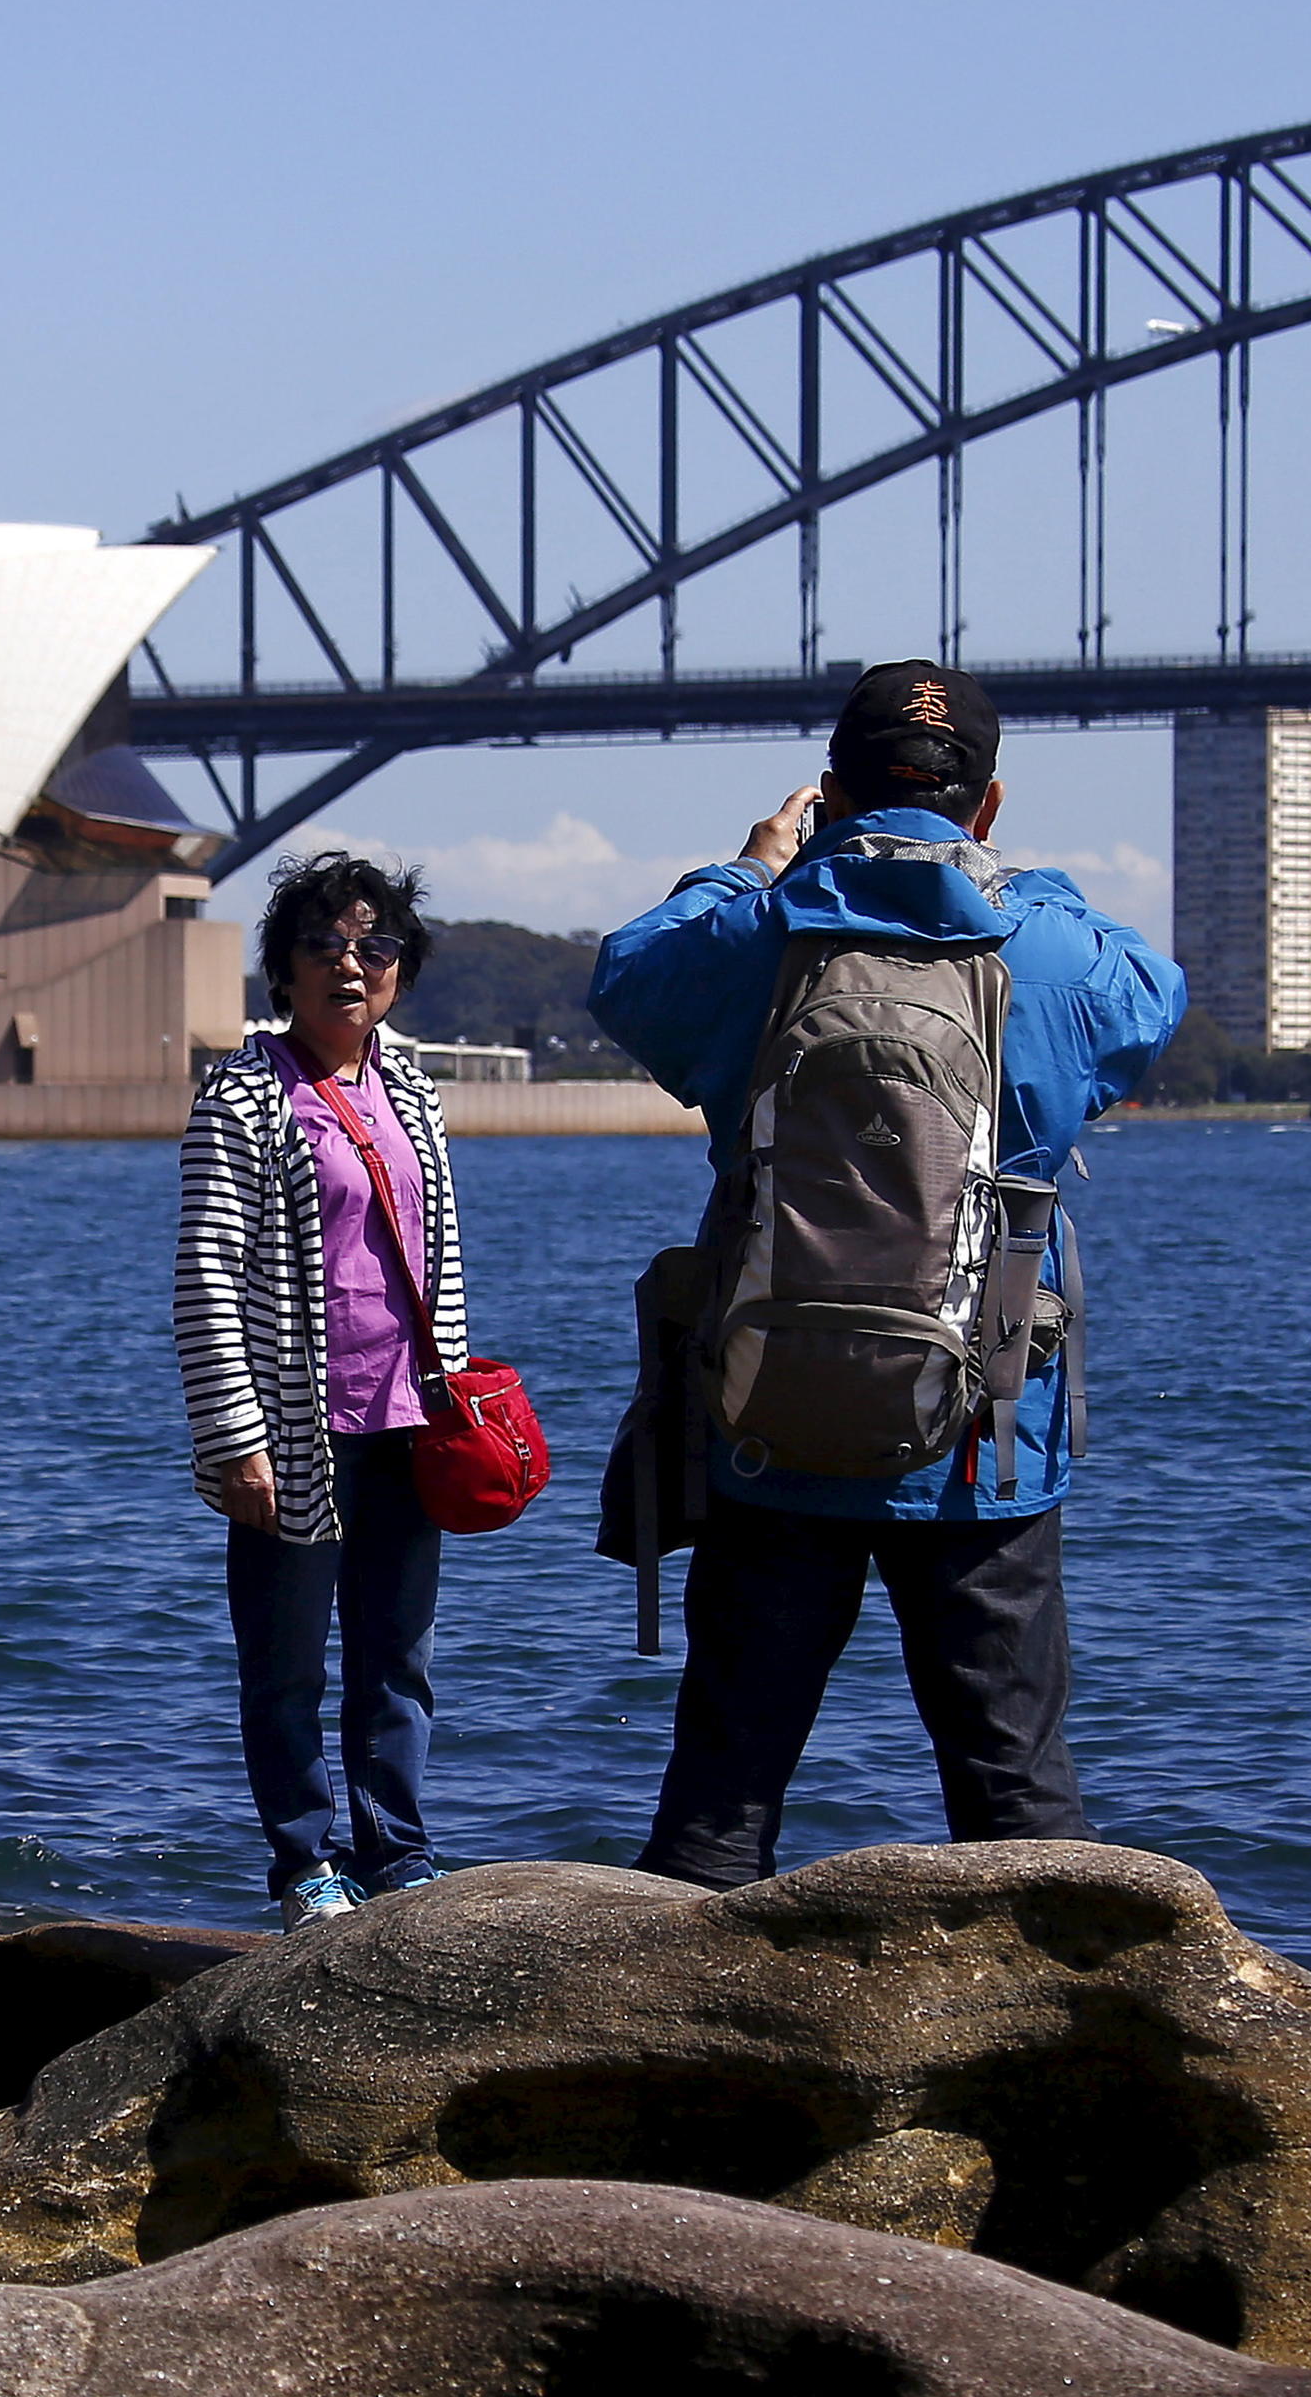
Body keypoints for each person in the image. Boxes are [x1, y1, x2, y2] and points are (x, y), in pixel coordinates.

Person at [586, 662, 1184, 1887]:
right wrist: (1010, 877)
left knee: (719, 1804)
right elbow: (1151, 996)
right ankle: (1049, 2053)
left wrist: (750, 867)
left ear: (829, 790)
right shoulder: (1046, 940)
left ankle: (665, 2056)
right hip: (986, 1426)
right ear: (988, 800)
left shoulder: (755, 932)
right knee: (1015, 1800)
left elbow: (628, 975)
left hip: (768, 1412)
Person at [174, 853, 474, 1920]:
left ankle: (398, 1849)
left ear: (400, 965)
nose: (352, 963)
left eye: (374, 944)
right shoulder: (247, 1096)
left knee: (397, 1659)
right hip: (297, 1428)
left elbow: (434, 1252)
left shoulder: (410, 1086)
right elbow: (204, 1270)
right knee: (287, 1663)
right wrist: (231, 1435)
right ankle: (304, 1859)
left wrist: (455, 1382)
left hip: (408, 1420)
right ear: (285, 969)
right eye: (325, 945)